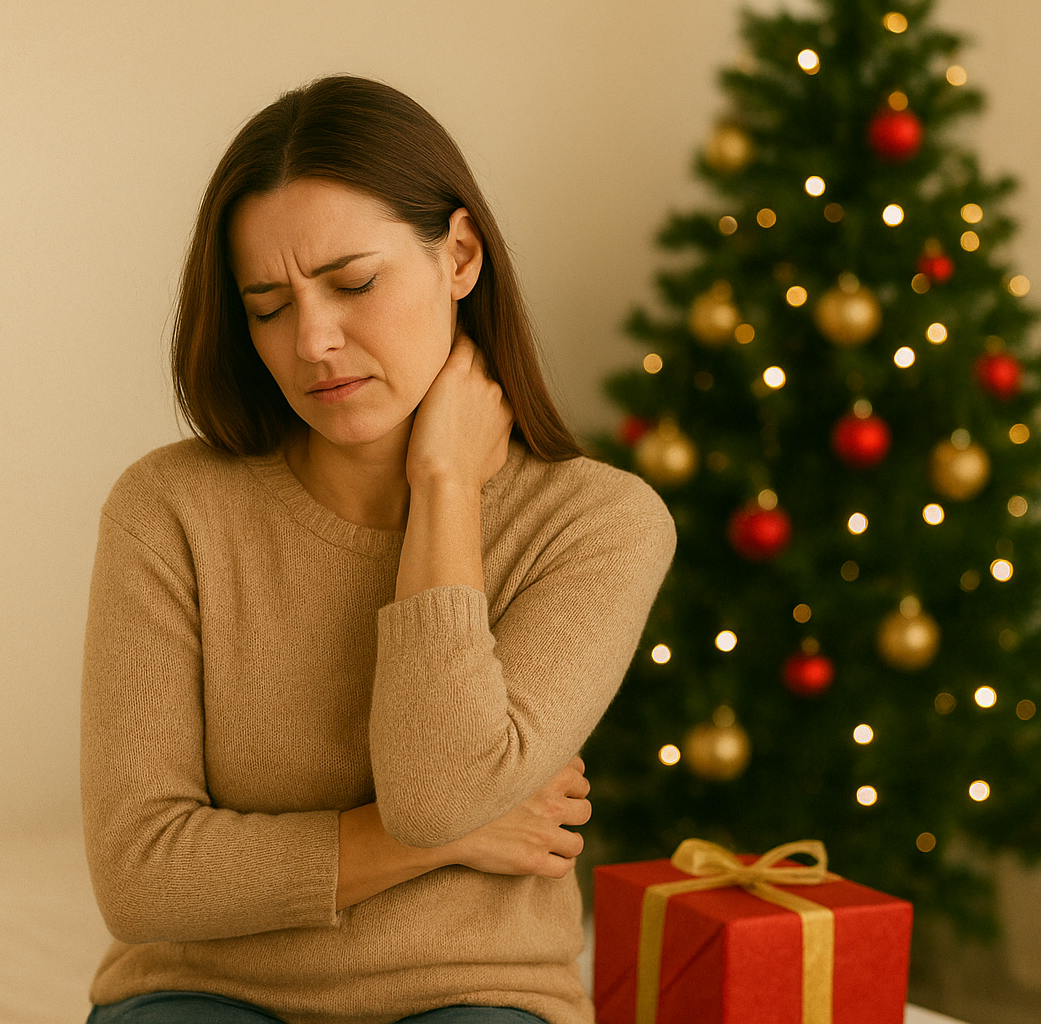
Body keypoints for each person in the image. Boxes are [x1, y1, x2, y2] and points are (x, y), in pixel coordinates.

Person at [78, 75, 675, 1024]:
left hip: (477, 996)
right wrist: (435, 845)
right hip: (204, 991)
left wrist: (446, 489)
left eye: (354, 283)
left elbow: (438, 789)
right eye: (268, 305)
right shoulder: (170, 509)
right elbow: (143, 878)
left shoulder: (599, 523)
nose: (314, 340)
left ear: (461, 255)